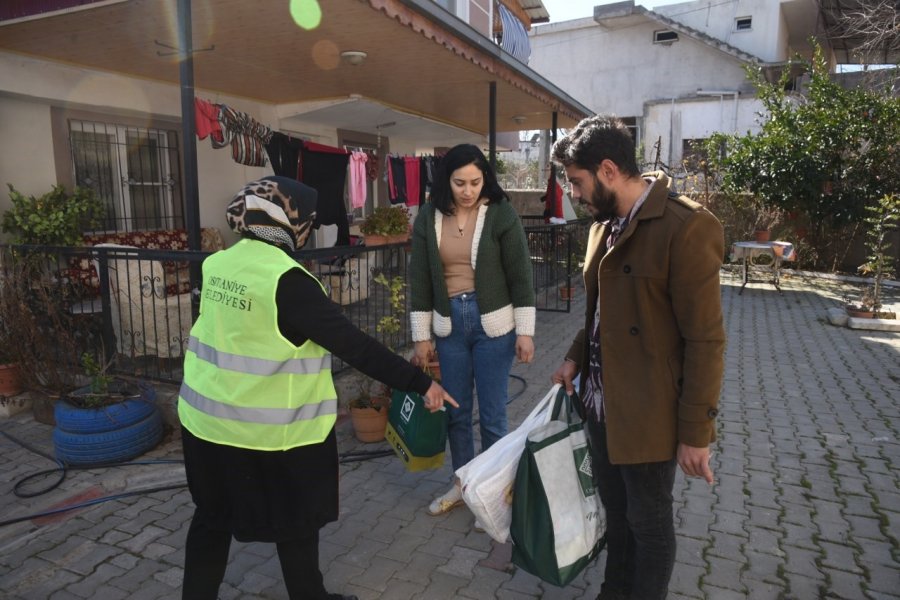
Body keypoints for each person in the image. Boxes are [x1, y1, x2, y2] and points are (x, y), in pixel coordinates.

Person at [178, 176, 457, 600]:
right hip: (272, 436)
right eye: (307, 220)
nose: (311, 229)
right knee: (296, 523)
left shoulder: (218, 263)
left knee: (211, 520)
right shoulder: (288, 281)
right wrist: (421, 383)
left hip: (204, 426)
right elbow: (355, 346)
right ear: (290, 224)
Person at [549, 116, 725, 600]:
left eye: (577, 181)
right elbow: (602, 314)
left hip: (649, 413)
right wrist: (573, 357)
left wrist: (695, 433)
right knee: (617, 515)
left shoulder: (686, 228)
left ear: (608, 170)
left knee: (649, 524)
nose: (574, 194)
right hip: (599, 404)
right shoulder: (600, 228)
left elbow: (706, 341)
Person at [408, 143, 536, 518]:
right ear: (446, 180)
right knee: (457, 414)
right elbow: (419, 280)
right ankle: (463, 486)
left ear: (486, 180)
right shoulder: (428, 217)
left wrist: (525, 332)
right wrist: (421, 336)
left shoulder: (501, 214)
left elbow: (521, 275)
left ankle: (494, 496)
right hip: (449, 326)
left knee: (494, 416)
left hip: (493, 325)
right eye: (460, 182)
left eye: (475, 182)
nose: (468, 190)